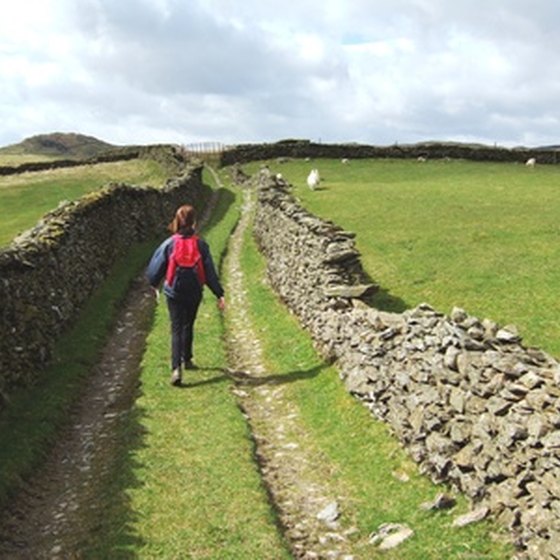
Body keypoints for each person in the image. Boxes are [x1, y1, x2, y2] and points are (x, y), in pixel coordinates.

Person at [146, 204, 225, 386]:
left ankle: (176, 369)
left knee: (176, 327)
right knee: (189, 323)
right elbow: (210, 273)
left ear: (177, 221)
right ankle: (187, 358)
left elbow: (155, 268)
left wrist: (154, 284)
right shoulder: (201, 245)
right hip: (194, 291)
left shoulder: (170, 243)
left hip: (174, 291)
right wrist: (219, 293)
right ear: (194, 223)